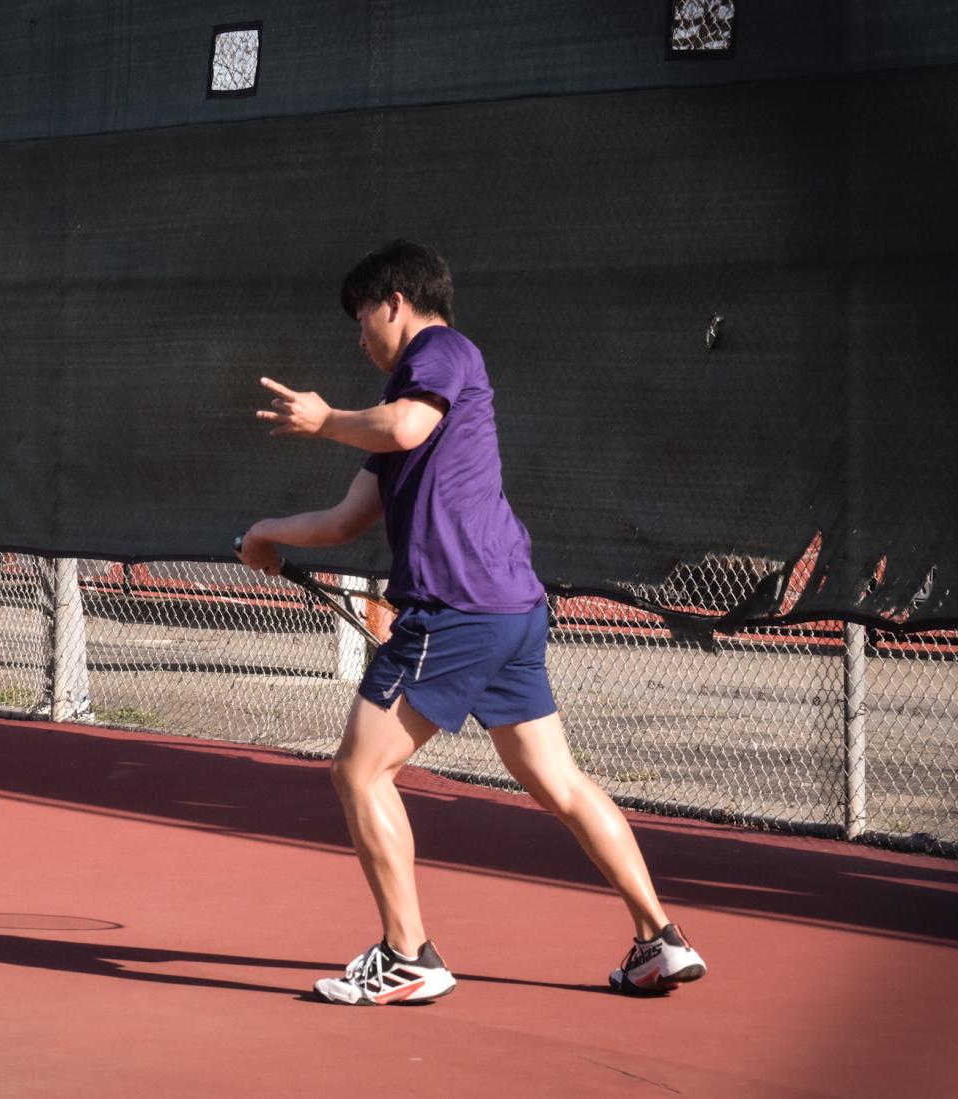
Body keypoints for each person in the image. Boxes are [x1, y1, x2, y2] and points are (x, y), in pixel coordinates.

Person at [236, 240, 706, 1005]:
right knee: (557, 779)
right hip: (507, 610)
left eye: (363, 320)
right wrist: (266, 532)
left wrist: (323, 419)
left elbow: (404, 428)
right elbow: (344, 519)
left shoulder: (441, 352)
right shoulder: (394, 409)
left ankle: (406, 953)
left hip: (454, 609)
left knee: (358, 769)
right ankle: (659, 939)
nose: (360, 340)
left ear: (395, 302)